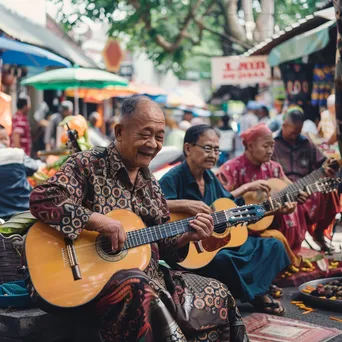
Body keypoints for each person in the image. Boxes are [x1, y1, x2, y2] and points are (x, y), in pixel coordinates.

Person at [29, 96, 248, 342]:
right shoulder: (87, 165)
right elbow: (42, 199)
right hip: (84, 283)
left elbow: (163, 247)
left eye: (159, 136)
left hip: (150, 278)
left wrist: (187, 236)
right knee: (139, 289)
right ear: (120, 131)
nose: (152, 144)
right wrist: (99, 222)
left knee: (218, 291)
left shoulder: (151, 184)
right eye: (145, 134)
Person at [159, 124, 291, 316]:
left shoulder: (210, 178)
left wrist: (272, 210)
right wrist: (185, 205)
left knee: (273, 246)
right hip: (189, 250)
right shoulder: (173, 178)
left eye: (216, 149)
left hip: (216, 243)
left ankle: (251, 290)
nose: (213, 154)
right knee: (223, 260)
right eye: (207, 148)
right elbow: (155, 206)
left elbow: (228, 206)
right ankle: (256, 295)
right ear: (188, 148)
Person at [217, 123, 310, 265]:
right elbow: (220, 203)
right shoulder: (231, 168)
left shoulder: (274, 168)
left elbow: (290, 187)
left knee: (295, 210)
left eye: (272, 146)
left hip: (270, 222)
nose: (270, 151)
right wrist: (247, 187)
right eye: (265, 146)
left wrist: (297, 196)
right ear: (249, 145)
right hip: (241, 228)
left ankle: (288, 256)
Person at [272, 106, 338, 251]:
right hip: (283, 190)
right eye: (292, 132)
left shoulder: (306, 143)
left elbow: (322, 163)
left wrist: (327, 168)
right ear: (284, 125)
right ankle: (290, 246)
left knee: (330, 192)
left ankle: (319, 233)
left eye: (298, 132)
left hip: (307, 187)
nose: (295, 136)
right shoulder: (272, 143)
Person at [0, 125, 44, 220]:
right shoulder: (17, 154)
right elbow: (34, 167)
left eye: (5, 138)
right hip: (25, 211)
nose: (3, 142)